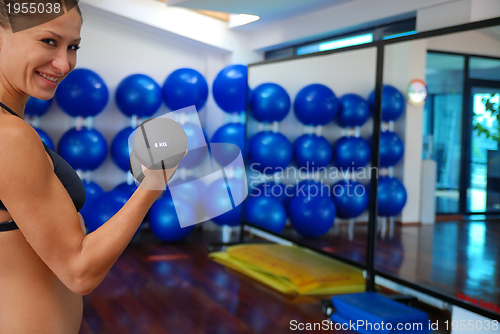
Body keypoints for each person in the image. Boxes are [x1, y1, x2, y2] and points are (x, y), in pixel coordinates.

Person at [0, 2, 183, 333]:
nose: (64, 62)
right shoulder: (10, 136)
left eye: (73, 47)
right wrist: (153, 184)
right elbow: (79, 271)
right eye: (48, 41)